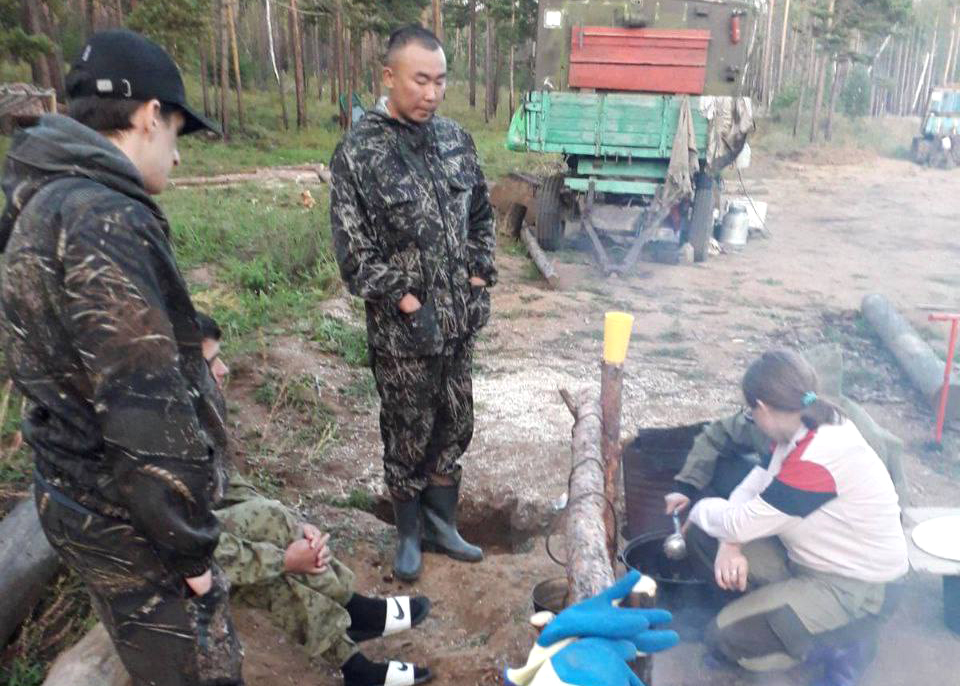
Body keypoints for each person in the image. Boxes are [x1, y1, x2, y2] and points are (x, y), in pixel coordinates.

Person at [0, 30, 242, 686]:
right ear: (148, 114)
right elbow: (143, 416)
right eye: (176, 134)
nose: (179, 158)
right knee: (198, 669)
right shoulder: (105, 220)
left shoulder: (40, 198)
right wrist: (189, 550)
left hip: (74, 492)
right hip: (133, 521)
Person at [329, 25, 497, 582]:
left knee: (455, 422)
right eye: (420, 80)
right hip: (403, 333)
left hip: (458, 324)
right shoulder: (359, 153)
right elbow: (354, 254)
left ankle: (443, 525)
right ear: (389, 78)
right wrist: (405, 302)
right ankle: (408, 533)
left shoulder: (456, 141)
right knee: (408, 426)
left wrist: (476, 280)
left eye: (440, 81)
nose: (431, 93)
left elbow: (481, 218)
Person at [196, 313, 433, 686]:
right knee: (272, 567)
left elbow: (226, 482)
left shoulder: (192, 414)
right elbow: (189, 544)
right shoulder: (154, 445)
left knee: (273, 523)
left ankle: (353, 626)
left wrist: (296, 524)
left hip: (199, 537)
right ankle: (354, 638)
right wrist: (284, 559)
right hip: (169, 564)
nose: (224, 370)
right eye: (210, 364)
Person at [683, 350, 908, 686]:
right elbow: (755, 484)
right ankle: (775, 618)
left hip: (856, 590)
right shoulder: (803, 427)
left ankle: (844, 643)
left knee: (722, 637)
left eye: (750, 411)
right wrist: (730, 543)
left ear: (761, 407)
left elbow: (740, 520)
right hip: (809, 562)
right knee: (705, 535)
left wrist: (699, 510)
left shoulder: (819, 456)